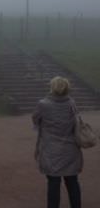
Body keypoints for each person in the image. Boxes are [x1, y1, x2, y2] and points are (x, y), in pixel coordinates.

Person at [32, 76, 83, 208]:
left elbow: (35, 120)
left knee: (53, 184)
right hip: (70, 150)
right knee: (72, 182)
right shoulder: (71, 103)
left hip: (51, 150)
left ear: (52, 88)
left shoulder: (43, 104)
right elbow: (76, 122)